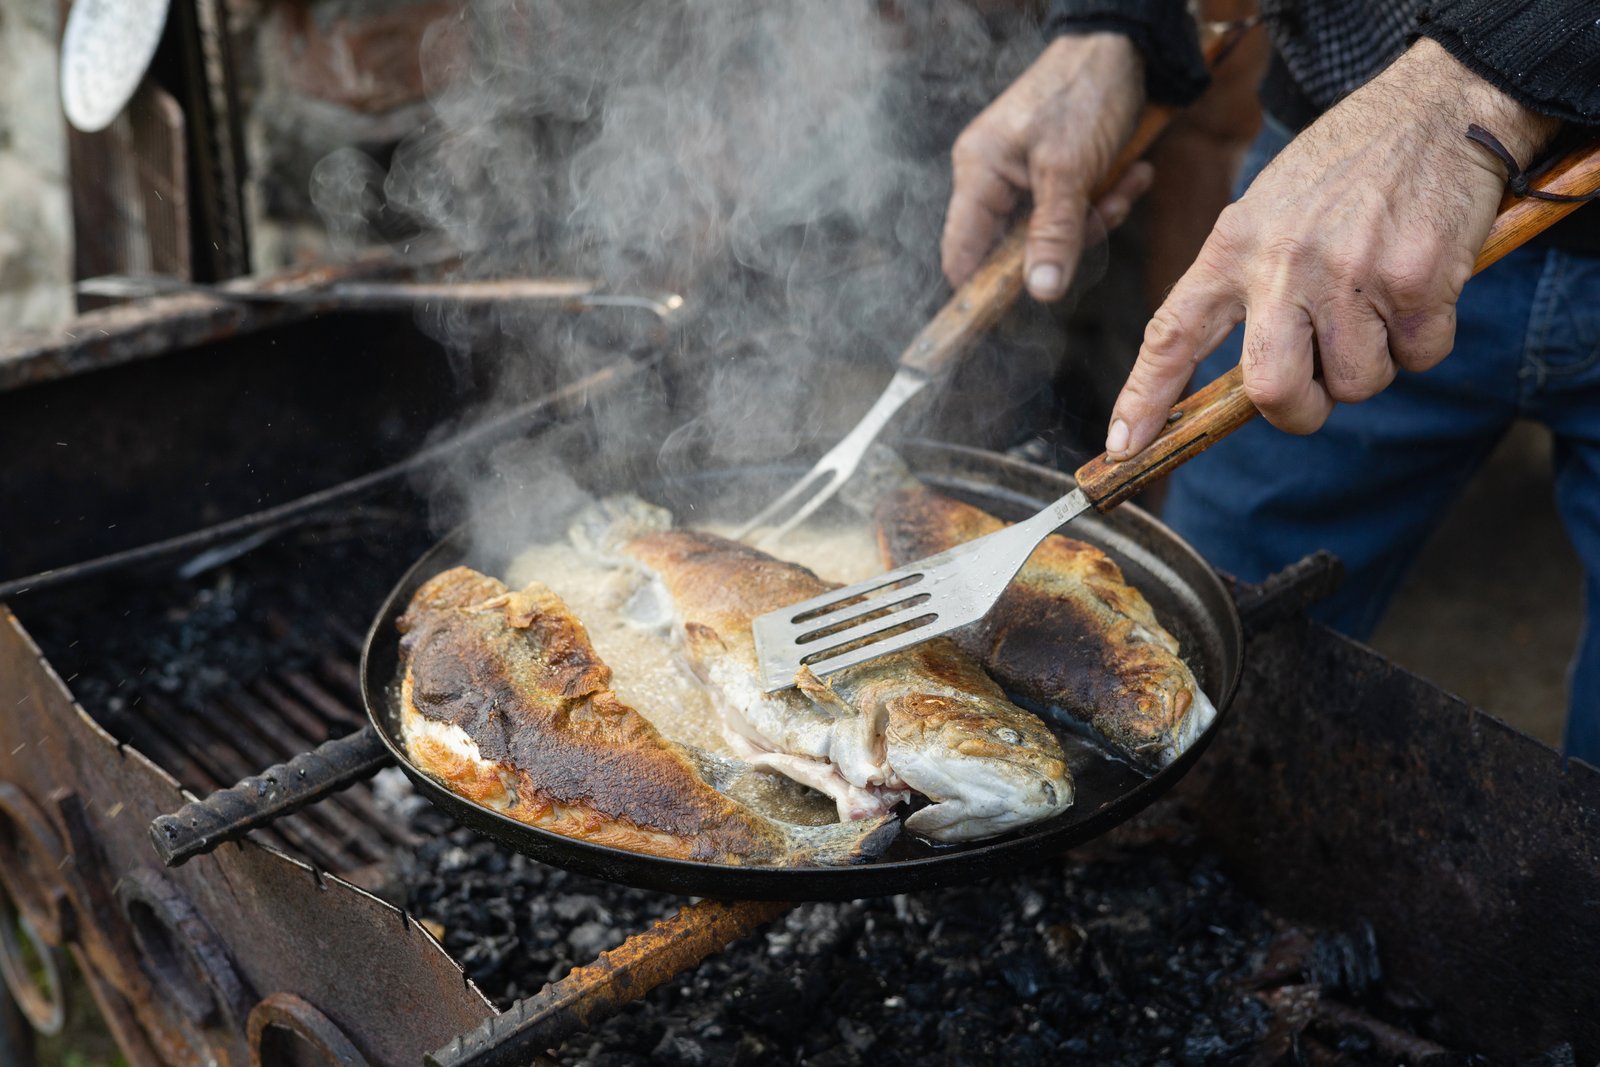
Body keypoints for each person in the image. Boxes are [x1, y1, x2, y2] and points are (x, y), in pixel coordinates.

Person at [942, 1, 1600, 760]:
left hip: (1407, 150)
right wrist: (1120, 21)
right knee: (1195, 675)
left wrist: (1474, 88)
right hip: (1335, 216)